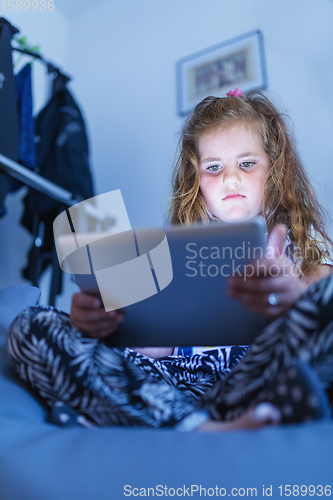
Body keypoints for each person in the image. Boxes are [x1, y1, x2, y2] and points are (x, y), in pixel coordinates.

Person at [6, 89, 333, 431]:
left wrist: (293, 297)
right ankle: (196, 428)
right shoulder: (170, 249)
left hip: (251, 384)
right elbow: (153, 348)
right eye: (213, 167)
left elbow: (319, 316)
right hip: (166, 391)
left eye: (247, 163)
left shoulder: (303, 244)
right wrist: (103, 324)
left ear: (275, 170)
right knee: (31, 324)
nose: (229, 178)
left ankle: (112, 416)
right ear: (197, 183)